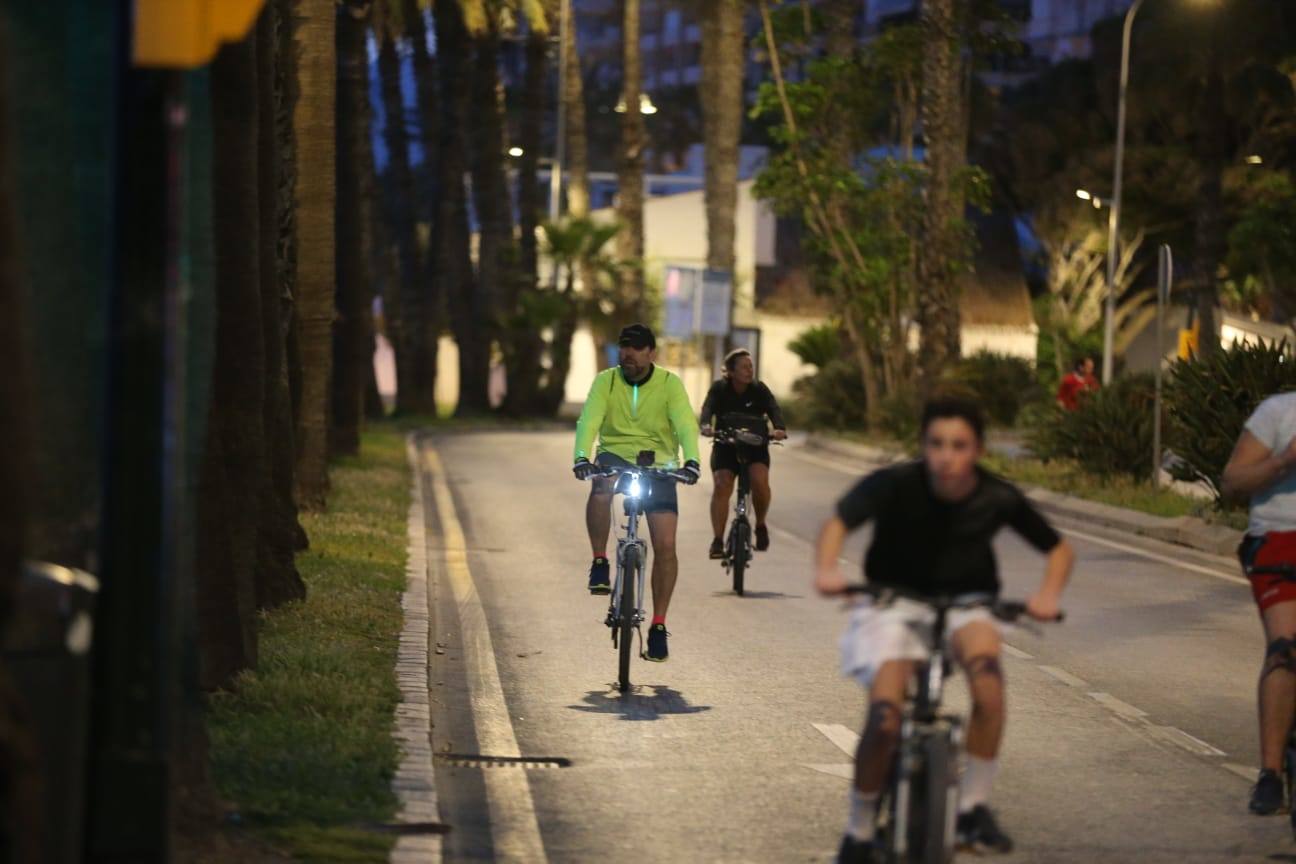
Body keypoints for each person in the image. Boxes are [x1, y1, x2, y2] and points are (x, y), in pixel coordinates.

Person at [813, 398, 1074, 862]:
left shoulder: (996, 496)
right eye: (936, 444)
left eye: (959, 445)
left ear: (978, 450)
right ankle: (859, 830)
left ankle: (972, 808)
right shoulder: (894, 484)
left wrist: (1047, 596)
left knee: (989, 688)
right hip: (894, 604)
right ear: (922, 445)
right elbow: (838, 523)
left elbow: (1058, 550)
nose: (946, 456)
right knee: (885, 718)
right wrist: (828, 569)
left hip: (967, 604)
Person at [572, 323, 702, 663]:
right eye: (624, 346)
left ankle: (658, 625)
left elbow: (685, 424)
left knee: (666, 545)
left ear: (651, 353)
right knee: (601, 486)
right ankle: (600, 561)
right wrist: (582, 457)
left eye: (636, 348)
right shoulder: (606, 381)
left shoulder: (669, 384)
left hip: (659, 462)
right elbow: (589, 421)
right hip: (615, 454)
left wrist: (692, 461)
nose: (627, 353)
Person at [1221, 391, 1296, 816]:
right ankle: (1271, 773)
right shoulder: (1279, 412)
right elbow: (1233, 481)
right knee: (1285, 646)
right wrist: (1284, 461)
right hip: (1281, 541)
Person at [699, 348, 788, 558]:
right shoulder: (719, 389)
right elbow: (707, 409)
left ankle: (760, 524)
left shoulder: (759, 389)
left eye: (751, 366)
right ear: (730, 371)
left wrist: (779, 428)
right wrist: (705, 425)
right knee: (722, 485)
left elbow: (774, 409)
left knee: (760, 481)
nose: (749, 370)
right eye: (744, 367)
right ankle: (718, 541)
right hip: (725, 445)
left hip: (755, 446)